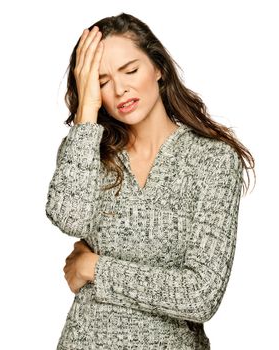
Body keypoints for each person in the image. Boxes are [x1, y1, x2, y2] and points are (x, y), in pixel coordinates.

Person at [45, 12, 255, 350]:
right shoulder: (87, 151)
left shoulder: (212, 159)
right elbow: (69, 217)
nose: (120, 88)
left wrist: (94, 267)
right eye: (101, 82)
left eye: (130, 70)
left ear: (158, 68)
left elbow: (200, 295)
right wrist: (85, 116)